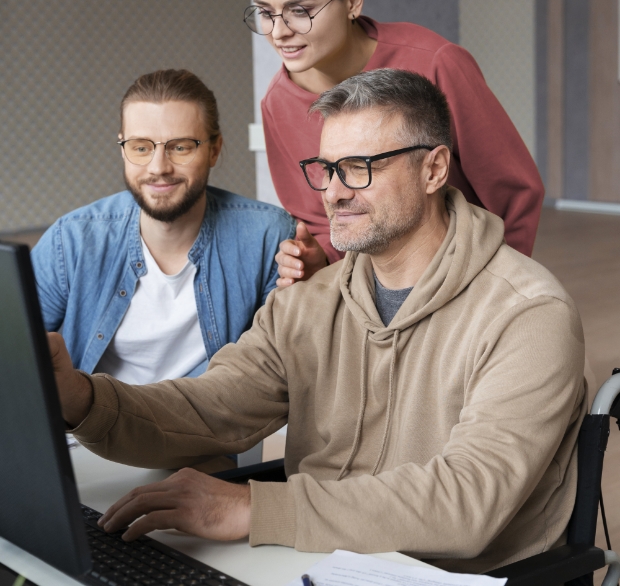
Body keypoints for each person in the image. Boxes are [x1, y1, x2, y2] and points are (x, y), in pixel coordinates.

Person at [49, 70, 585, 574]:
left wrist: (257, 509)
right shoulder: (309, 302)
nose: (333, 192)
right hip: (316, 563)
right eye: (327, 169)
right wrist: (81, 399)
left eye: (359, 167)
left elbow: (466, 500)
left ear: (435, 169)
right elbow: (210, 409)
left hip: (457, 576)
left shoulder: (528, 313)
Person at [242, 0, 544, 286]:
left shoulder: (437, 62)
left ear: (352, 0)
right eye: (265, 12)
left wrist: (497, 292)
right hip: (372, 301)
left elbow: (515, 192)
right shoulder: (277, 103)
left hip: (470, 283)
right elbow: (324, 224)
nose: (279, 31)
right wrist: (318, 257)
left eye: (300, 10)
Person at [33, 69, 295, 383]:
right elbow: (15, 351)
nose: (159, 168)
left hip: (207, 429)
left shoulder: (268, 236)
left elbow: (276, 371)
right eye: (141, 147)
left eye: (181, 147)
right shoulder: (71, 241)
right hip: (91, 429)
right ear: (123, 148)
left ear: (214, 149)